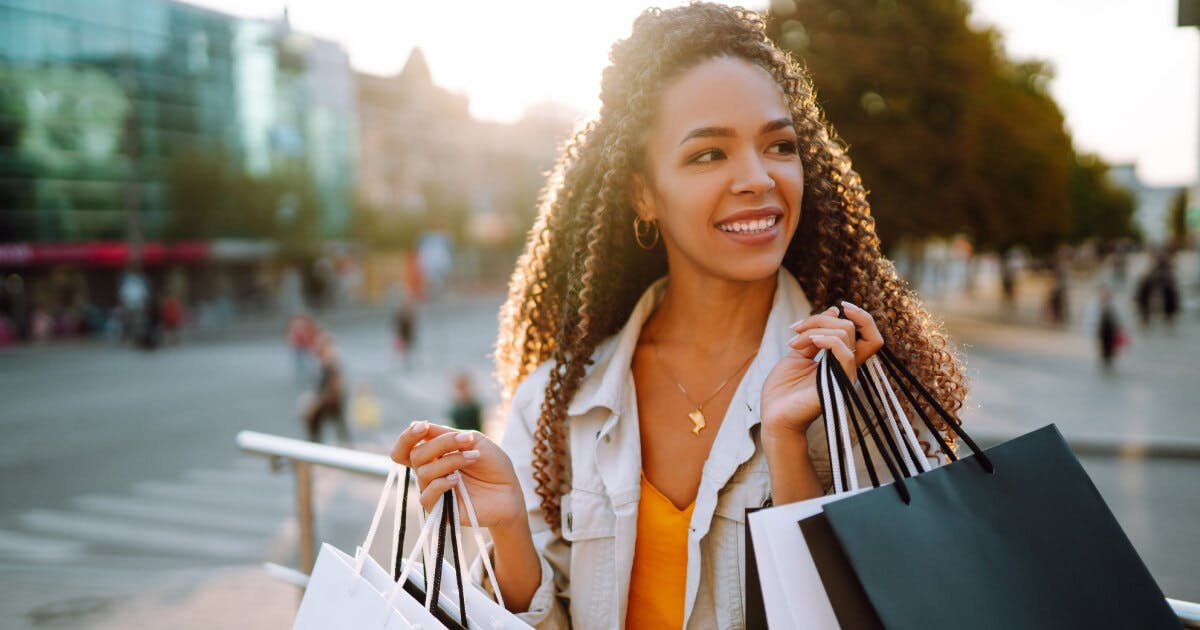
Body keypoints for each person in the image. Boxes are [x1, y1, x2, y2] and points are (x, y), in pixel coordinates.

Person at [390, 5, 967, 628]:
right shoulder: (556, 404)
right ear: (643, 191)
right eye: (708, 155)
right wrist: (507, 530)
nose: (758, 178)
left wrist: (786, 449)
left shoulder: (857, 387)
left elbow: (871, 614)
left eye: (779, 145)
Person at [304, 335, 350, 445]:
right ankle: (342, 444)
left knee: (336, 424)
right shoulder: (324, 363)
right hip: (328, 399)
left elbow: (336, 385)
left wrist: (318, 402)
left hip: (330, 400)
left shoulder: (330, 364)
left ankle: (319, 445)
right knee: (338, 425)